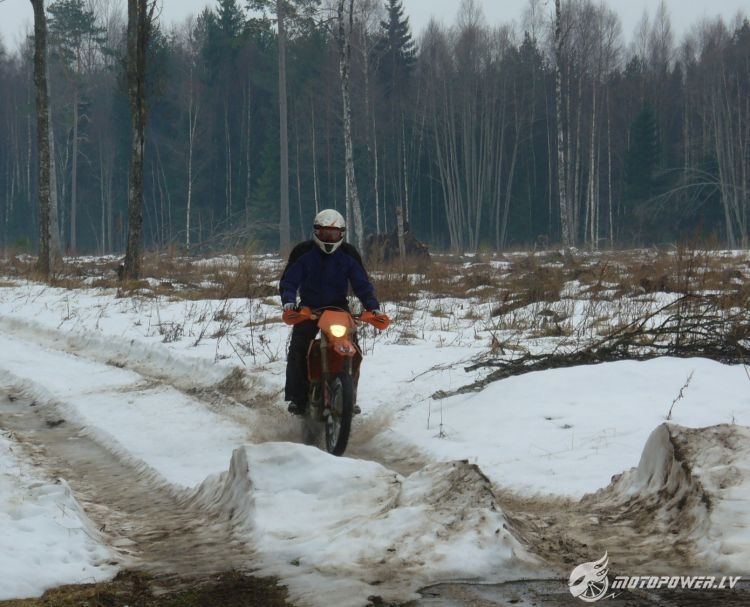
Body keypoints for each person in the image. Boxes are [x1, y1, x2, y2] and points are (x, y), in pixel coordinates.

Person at [279, 209, 382, 416]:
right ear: (316, 232)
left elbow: (362, 284)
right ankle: (298, 398)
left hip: (338, 309)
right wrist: (289, 302)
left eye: (333, 234)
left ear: (341, 234)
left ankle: (349, 397)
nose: (329, 238)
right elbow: (289, 281)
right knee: (299, 347)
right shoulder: (303, 252)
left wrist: (372, 306)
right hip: (309, 309)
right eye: (324, 233)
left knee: (353, 350)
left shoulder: (349, 254)